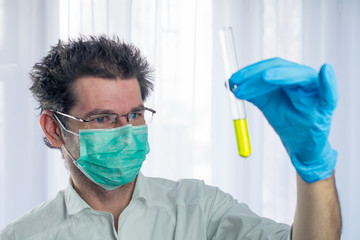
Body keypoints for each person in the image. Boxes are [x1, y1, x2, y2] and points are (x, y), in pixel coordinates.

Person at [0, 36, 341, 239]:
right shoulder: (24, 236)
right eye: (102, 118)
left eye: (134, 115)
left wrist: (315, 165)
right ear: (53, 128)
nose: (125, 133)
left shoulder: (199, 209)